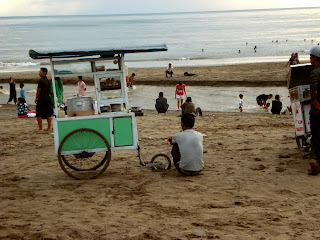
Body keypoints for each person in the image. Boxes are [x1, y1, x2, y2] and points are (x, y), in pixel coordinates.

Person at [305, 45, 320, 175]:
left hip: (318, 110)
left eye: (311, 56)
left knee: (315, 137)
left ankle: (314, 163)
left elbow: (313, 91)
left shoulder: (315, 73)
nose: (309, 58)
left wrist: (314, 101)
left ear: (316, 58)